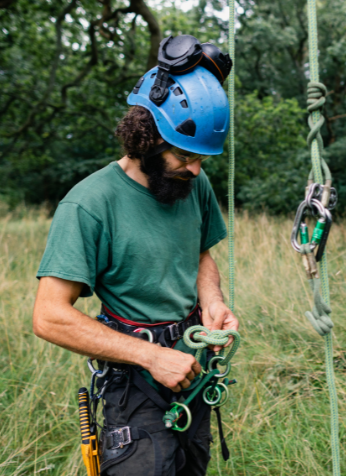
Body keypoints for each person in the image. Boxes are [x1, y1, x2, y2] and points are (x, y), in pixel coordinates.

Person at [32, 35, 238, 475]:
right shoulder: (89, 204)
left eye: (202, 158)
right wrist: (150, 356)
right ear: (146, 139)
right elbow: (49, 316)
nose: (197, 170)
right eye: (185, 155)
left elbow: (199, 253)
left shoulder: (192, 183)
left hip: (191, 363)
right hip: (136, 379)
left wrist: (214, 302)